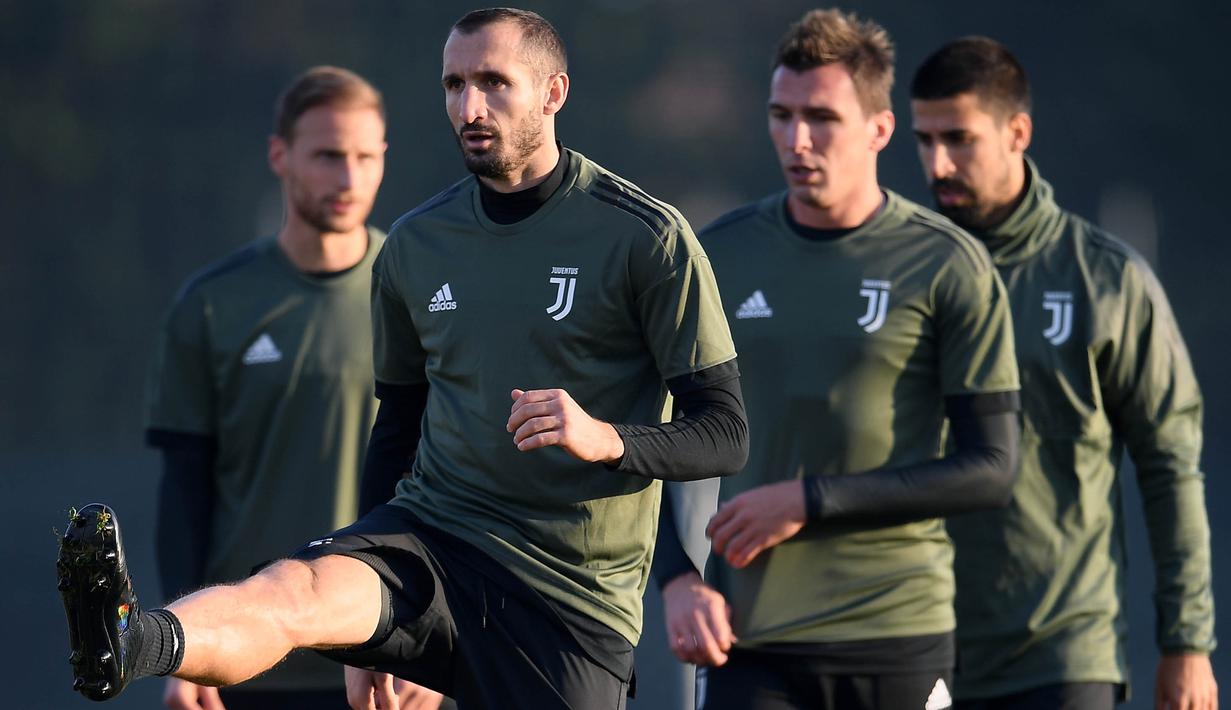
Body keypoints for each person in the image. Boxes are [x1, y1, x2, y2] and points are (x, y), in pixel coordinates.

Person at [57, 8, 748, 709]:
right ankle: (133, 640)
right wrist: (372, 642)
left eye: (492, 82)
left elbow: (724, 431)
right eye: (453, 84)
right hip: (433, 537)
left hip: (569, 599)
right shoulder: (417, 244)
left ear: (553, 93)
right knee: (294, 590)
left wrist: (604, 438)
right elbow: (396, 430)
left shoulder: (647, 237)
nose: (468, 108)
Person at [651, 9, 1022, 710]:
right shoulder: (717, 256)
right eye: (781, 115)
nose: (797, 140)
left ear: (879, 129)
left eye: (821, 118)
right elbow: (648, 435)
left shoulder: (948, 264)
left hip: (897, 634)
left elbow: (991, 467)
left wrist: (809, 502)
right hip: (747, 642)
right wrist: (676, 580)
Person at [909, 37, 1217, 710]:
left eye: (958, 138)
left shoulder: (1105, 280)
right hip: (918, 647)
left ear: (1017, 133)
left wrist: (1187, 641)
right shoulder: (902, 274)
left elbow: (1170, 465)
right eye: (924, 140)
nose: (937, 163)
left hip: (1065, 650)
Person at [140, 65, 445, 710]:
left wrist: (437, 635)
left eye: (365, 157)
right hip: (248, 661)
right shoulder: (212, 304)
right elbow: (185, 492)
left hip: (391, 655)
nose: (349, 178)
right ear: (280, 155)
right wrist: (187, 650)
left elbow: (465, 482)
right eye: (328, 156)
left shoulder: (429, 295)